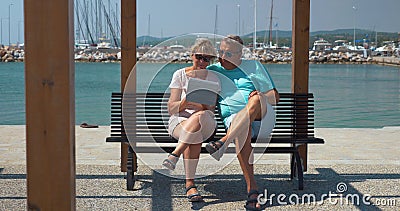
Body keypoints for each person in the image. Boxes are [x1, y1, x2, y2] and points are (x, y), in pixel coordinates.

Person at [206, 35, 279, 210]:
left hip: (261, 118)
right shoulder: (213, 70)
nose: (222, 57)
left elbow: (275, 97)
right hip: (234, 121)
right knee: (241, 127)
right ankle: (252, 190)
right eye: (220, 52)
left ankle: (224, 141)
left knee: (255, 99)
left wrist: (261, 96)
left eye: (228, 53)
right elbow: (192, 77)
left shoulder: (254, 66)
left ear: (240, 54)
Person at [162, 38, 220, 202]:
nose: (202, 62)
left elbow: (210, 109)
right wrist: (186, 101)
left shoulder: (213, 78)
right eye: (199, 57)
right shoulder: (180, 75)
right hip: (180, 121)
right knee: (194, 132)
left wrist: (200, 103)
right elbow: (171, 108)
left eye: (207, 58)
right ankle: (190, 185)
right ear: (192, 55)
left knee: (199, 117)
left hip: (206, 119)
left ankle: (175, 154)